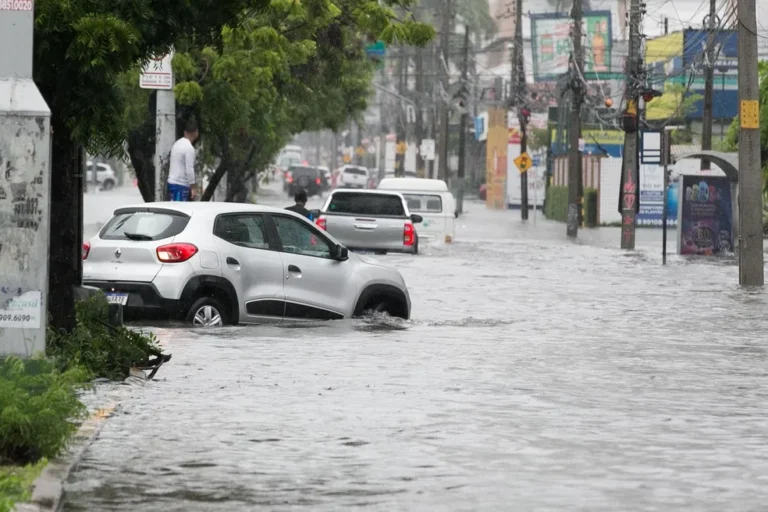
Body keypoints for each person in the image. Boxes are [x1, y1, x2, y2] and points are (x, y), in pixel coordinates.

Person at [167, 119, 199, 201]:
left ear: (185, 132)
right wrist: (193, 187)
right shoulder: (189, 148)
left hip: (171, 182)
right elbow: (189, 169)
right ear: (196, 133)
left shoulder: (177, 143)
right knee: (179, 207)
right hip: (180, 185)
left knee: (172, 206)